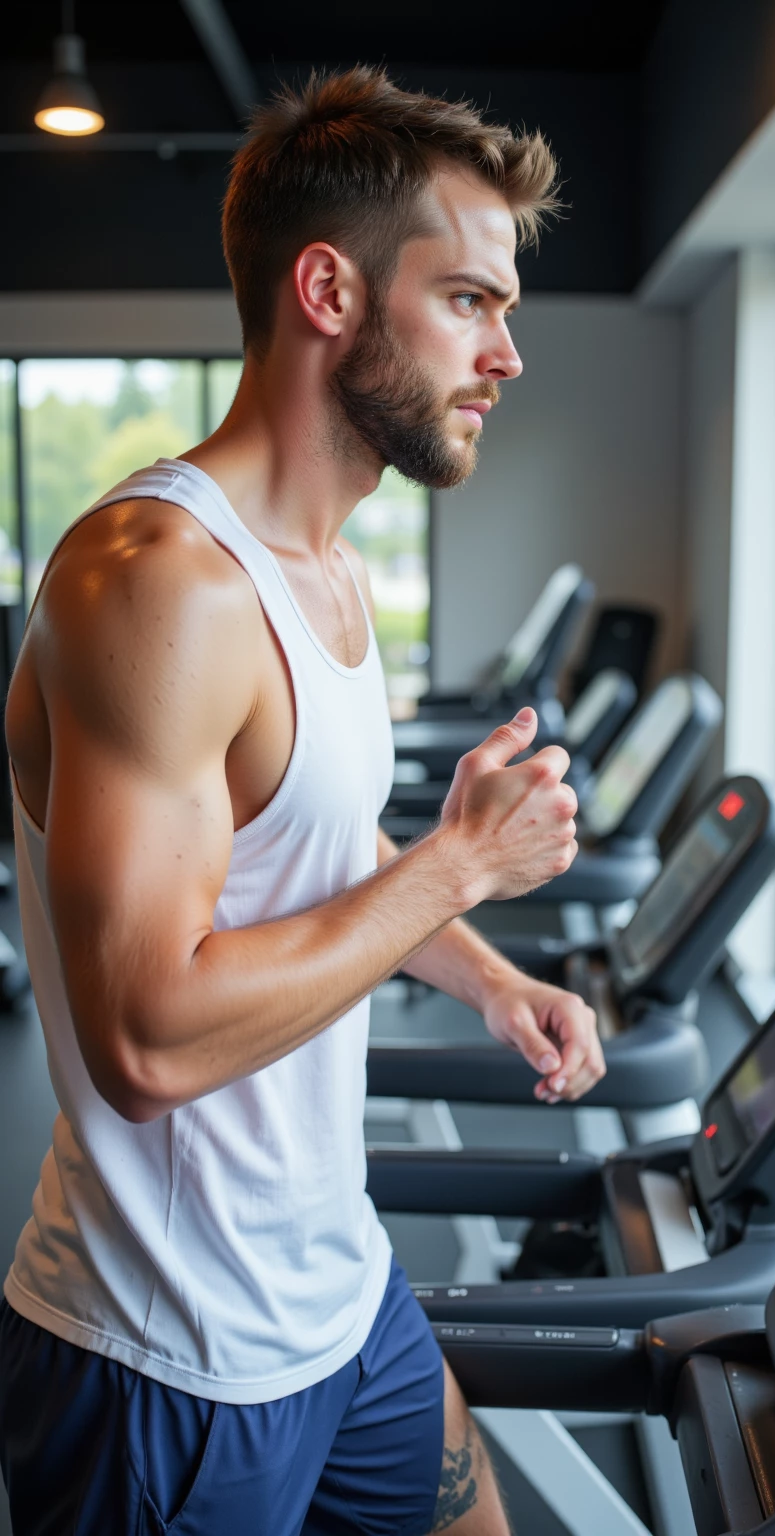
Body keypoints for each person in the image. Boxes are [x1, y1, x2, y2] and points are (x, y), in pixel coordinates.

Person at [0, 67, 606, 1536]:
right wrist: (460, 867)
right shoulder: (159, 585)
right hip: (169, 1365)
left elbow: (312, 851)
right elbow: (145, 1039)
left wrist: (487, 975)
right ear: (328, 290)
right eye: (468, 300)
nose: (507, 352)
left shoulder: (326, 569)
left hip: (338, 1289)